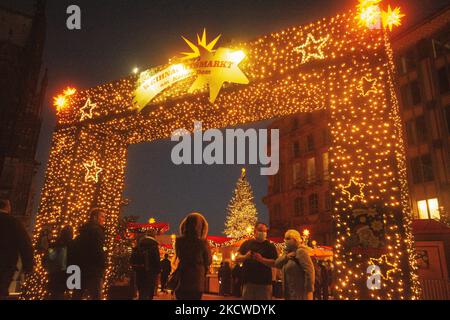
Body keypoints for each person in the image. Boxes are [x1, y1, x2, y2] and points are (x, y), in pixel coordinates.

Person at [173, 213, 212, 300]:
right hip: (197, 279)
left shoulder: (179, 241)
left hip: (182, 279)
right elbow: (209, 261)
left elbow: (179, 256)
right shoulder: (203, 243)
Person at [0, 199, 33, 299]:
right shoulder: (13, 222)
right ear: (7, 207)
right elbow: (25, 244)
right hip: (5, 264)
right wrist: (28, 265)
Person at [235, 222, 278, 300]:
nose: (263, 233)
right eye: (261, 230)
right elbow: (237, 258)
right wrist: (245, 257)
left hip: (264, 284)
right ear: (255, 231)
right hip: (248, 283)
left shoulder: (270, 246)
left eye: (265, 231)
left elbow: (275, 263)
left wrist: (261, 259)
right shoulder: (246, 244)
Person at [72, 208, 106, 300]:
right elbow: (98, 250)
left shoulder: (82, 232)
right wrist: (102, 265)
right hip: (93, 270)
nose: (104, 219)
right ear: (95, 217)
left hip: (79, 269)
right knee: (96, 296)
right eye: (102, 217)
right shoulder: (97, 231)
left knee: (77, 295)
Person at [274, 229, 314, 300]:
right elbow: (277, 263)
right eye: (285, 238)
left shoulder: (301, 251)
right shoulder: (286, 253)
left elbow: (309, 271)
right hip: (289, 293)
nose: (286, 241)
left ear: (295, 239)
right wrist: (286, 257)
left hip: (299, 293)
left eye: (288, 238)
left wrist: (309, 291)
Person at [130, 229, 161, 300]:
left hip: (139, 271)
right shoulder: (154, 245)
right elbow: (156, 259)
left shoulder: (139, 244)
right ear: (154, 236)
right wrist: (158, 270)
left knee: (142, 291)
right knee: (149, 291)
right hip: (150, 272)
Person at [45, 226, 73, 300]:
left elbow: (48, 260)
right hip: (67, 276)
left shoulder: (53, 245)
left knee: (56, 294)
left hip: (55, 277)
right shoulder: (72, 245)